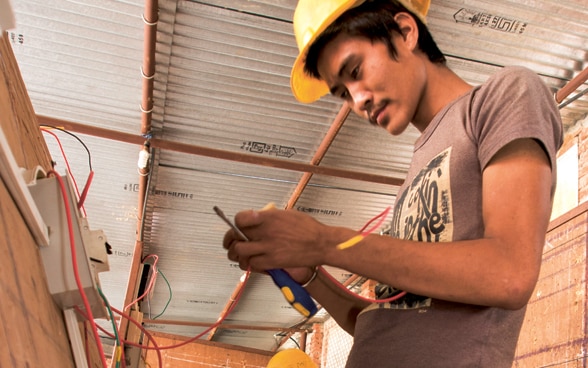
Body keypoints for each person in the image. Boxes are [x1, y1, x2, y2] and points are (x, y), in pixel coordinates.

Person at [222, 0, 563, 366]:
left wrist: (324, 242)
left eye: (354, 71)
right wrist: (309, 276)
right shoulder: (417, 168)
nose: (358, 101)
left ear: (405, 32)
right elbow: (382, 323)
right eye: (342, 94)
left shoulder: (504, 96)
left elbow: (508, 274)